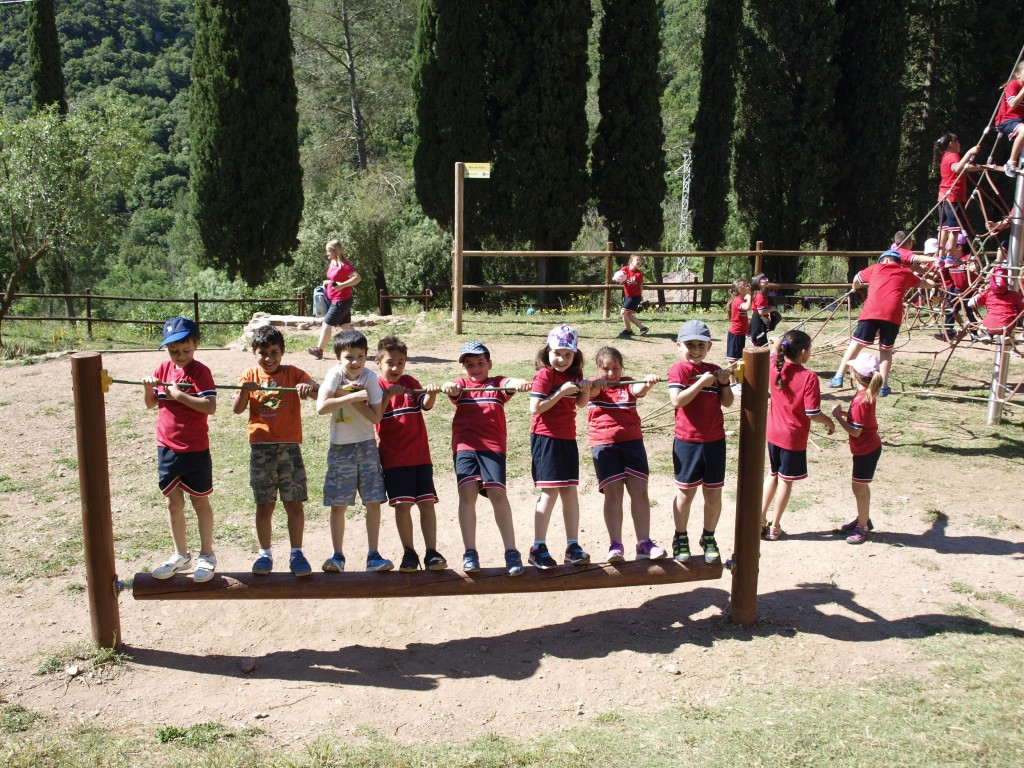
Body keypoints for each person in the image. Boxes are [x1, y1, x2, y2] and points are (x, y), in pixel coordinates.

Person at [232, 325, 318, 577]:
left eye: (274, 353)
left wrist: (308, 387)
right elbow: (237, 409)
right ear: (254, 352)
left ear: (282, 352)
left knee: (294, 503)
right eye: (263, 353)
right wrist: (245, 392)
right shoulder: (249, 375)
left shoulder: (293, 373)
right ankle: (264, 555)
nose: (269, 358)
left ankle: (297, 554)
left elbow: (316, 391)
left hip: (290, 448)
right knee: (264, 504)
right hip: (261, 449)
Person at [441, 341, 531, 576]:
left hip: (492, 447)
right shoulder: (462, 385)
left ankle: (511, 551)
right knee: (467, 493)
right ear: (464, 368)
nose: (475, 368)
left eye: (480, 363)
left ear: (489, 364)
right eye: (470, 365)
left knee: (497, 493)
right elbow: (453, 388)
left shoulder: (497, 383)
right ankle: (470, 552)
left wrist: (518, 383)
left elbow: (509, 383)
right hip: (465, 445)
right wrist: (449, 387)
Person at [141, 317, 218, 582]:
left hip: (194, 448)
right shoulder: (163, 369)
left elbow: (209, 406)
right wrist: (149, 388)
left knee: (200, 501)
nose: (180, 355)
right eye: (174, 351)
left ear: (196, 344)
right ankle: (180, 555)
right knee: (173, 503)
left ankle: (207, 555)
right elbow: (151, 403)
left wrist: (180, 395)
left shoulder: (200, 372)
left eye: (185, 349)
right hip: (166, 447)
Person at [316, 329, 393, 573]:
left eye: (360, 356)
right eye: (349, 357)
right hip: (340, 446)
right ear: (338, 357)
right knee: (338, 504)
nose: (355, 362)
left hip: (366, 445)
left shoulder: (369, 377)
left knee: (373, 501)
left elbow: (376, 417)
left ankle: (373, 555)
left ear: (366, 356)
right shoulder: (334, 374)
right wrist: (351, 396)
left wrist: (349, 397)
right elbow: (322, 407)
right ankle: (337, 555)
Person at [581, 347, 664, 562]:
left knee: (640, 491)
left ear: (622, 368)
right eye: (605, 369)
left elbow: (638, 389)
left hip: (633, 444)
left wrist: (648, 382)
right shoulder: (593, 385)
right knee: (614, 494)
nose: (611, 374)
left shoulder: (627, 383)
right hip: (604, 446)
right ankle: (615, 544)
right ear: (597, 369)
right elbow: (591, 393)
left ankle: (644, 543)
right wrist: (595, 385)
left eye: (615, 368)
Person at [375, 335, 447, 572]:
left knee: (427, 504)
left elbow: (425, 404)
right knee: (403, 506)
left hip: (420, 456)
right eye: (390, 363)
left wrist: (431, 393)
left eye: (401, 362)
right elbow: (375, 416)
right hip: (394, 460)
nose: (396, 368)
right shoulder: (375, 386)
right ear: (378, 363)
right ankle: (409, 552)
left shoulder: (410, 382)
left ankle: (431, 552)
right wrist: (388, 395)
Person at [667, 320, 734, 563]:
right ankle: (680, 536)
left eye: (701, 345)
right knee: (686, 493)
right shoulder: (679, 370)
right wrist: (700, 383)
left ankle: (708, 536)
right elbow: (677, 400)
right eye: (690, 345)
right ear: (679, 346)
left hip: (714, 441)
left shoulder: (714, 370)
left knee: (713, 494)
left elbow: (727, 402)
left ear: (708, 347)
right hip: (688, 441)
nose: (695, 350)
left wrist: (723, 383)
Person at [829, 250, 936, 397]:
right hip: (892, 315)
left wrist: (855, 286)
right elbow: (927, 284)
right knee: (886, 350)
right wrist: (933, 278)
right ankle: (884, 386)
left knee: (856, 344)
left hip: (871, 311)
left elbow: (856, 279)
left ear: (884, 260)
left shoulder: (875, 268)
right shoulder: (905, 272)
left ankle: (839, 376)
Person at [761, 331, 835, 540]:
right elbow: (813, 412)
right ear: (803, 352)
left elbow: (773, 353)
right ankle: (775, 526)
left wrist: (777, 344)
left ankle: (759, 519)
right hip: (792, 438)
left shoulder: (774, 366)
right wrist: (829, 421)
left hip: (773, 433)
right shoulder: (809, 377)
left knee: (773, 473)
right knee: (786, 480)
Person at [527, 325, 590, 568]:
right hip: (546, 438)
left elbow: (581, 404)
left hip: (567, 438)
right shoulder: (544, 375)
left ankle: (572, 546)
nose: (562, 359)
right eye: (557, 353)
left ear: (575, 355)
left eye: (567, 355)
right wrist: (561, 392)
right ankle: (538, 547)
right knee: (550, 491)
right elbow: (536, 408)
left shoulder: (575, 374)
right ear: (548, 351)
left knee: (569, 491)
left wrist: (586, 389)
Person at [831, 351, 883, 545]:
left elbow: (855, 432)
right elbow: (860, 421)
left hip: (865, 451)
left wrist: (838, 417)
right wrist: (848, 414)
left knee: (858, 488)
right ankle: (864, 518)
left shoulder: (861, 400)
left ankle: (862, 528)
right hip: (868, 448)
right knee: (862, 487)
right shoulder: (866, 394)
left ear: (854, 374)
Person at [308, 240, 361, 360]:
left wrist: (342, 285)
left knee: (327, 323)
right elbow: (336, 278)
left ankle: (319, 350)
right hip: (337, 299)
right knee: (345, 326)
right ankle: (361, 345)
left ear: (335, 251)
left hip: (341, 300)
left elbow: (357, 278)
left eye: (328, 251)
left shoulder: (345, 265)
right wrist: (330, 282)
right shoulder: (333, 262)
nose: (327, 254)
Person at [933, 133, 981, 260]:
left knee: (943, 228)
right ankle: (949, 256)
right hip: (953, 197)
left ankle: (941, 256)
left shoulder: (946, 157)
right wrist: (970, 152)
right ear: (952, 143)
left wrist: (982, 167)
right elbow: (958, 168)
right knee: (954, 228)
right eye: (958, 142)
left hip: (943, 196)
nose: (960, 145)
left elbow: (963, 167)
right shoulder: (953, 156)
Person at [968, 264, 1024, 342]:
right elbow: (1022, 310)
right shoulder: (1015, 295)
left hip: (988, 326)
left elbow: (970, 303)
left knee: (985, 323)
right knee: (1014, 317)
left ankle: (988, 335)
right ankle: (1008, 335)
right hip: (1007, 326)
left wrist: (980, 293)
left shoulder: (987, 293)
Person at [997, 61, 1024, 177]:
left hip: (1020, 120)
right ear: (1018, 74)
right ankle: (1011, 162)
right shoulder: (1013, 85)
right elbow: (1012, 104)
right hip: (1007, 120)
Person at [615, 253, 650, 337]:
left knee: (623, 312)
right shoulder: (624, 269)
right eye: (637, 260)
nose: (639, 262)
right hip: (628, 296)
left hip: (635, 296)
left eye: (640, 260)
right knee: (628, 314)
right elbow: (618, 279)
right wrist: (618, 279)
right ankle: (643, 328)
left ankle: (628, 331)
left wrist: (640, 296)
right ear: (631, 261)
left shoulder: (639, 274)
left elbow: (641, 287)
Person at [726, 278, 752, 388]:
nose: (749, 286)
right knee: (732, 360)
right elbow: (747, 307)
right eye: (747, 285)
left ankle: (737, 381)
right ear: (741, 290)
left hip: (740, 334)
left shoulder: (740, 300)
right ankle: (732, 384)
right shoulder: (738, 301)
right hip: (735, 335)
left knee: (739, 359)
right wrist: (749, 297)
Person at [748, 273, 779, 347]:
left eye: (766, 278)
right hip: (758, 323)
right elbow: (761, 311)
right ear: (758, 283)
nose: (767, 280)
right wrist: (772, 308)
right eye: (764, 279)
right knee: (760, 346)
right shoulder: (760, 296)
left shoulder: (758, 294)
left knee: (760, 344)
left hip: (758, 321)